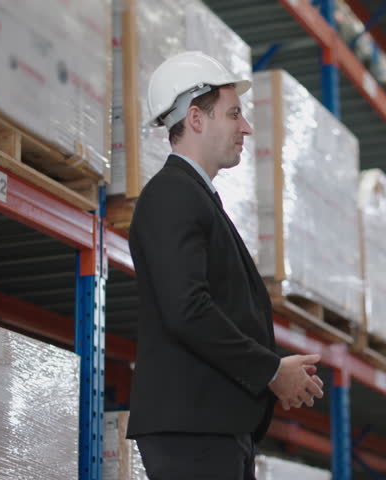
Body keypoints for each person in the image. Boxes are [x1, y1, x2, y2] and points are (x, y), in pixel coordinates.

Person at [127, 51, 325, 480]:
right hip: (194, 429)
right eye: (234, 114)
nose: (246, 127)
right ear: (196, 118)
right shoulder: (172, 195)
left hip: (211, 427)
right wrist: (270, 370)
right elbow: (188, 310)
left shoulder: (195, 197)